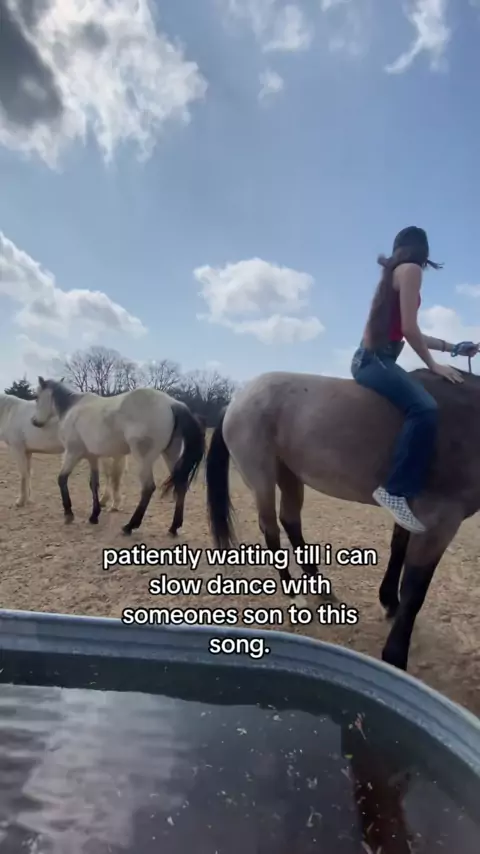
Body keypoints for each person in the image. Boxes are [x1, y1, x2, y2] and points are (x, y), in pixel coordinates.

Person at [351, 226, 479, 533]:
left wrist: (454, 348)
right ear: (422, 249)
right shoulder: (411, 270)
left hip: (379, 357)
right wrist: (434, 365)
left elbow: (411, 331)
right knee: (425, 407)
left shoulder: (397, 272)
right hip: (374, 360)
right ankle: (394, 490)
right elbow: (409, 330)